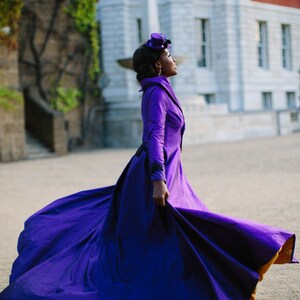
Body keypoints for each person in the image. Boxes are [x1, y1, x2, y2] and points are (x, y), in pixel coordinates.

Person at [0, 33, 297, 300]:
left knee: (180, 232)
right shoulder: (155, 92)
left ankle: (211, 284)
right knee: (178, 231)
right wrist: (158, 179)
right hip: (156, 174)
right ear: (157, 65)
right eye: (168, 56)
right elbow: (153, 135)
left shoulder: (162, 87)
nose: (172, 59)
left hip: (170, 172)